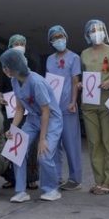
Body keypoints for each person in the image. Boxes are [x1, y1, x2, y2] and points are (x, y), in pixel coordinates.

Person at [0, 48, 63, 203]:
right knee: (17, 151)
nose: (4, 69)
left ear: (12, 67)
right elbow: (20, 109)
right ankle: (21, 191)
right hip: (33, 119)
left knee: (44, 154)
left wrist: (42, 139)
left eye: (5, 66)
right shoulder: (14, 81)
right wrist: (13, 129)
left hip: (51, 120)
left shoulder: (37, 82)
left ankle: (52, 189)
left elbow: (46, 112)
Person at [80, 19, 109, 195]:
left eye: (98, 30)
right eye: (92, 30)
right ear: (87, 34)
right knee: (93, 143)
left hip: (107, 103)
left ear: (105, 31)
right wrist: (81, 85)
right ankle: (98, 181)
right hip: (89, 104)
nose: (95, 33)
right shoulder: (83, 54)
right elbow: (82, 77)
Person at [0, 34, 40, 190]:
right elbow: (0, 88)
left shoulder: (32, 63)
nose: (19, 45)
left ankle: (31, 177)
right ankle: (13, 177)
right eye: (16, 43)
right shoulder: (4, 66)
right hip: (11, 109)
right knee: (12, 141)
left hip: (30, 109)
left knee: (31, 144)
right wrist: (0, 95)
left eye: (22, 43)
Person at [45, 25, 83, 191]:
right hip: (53, 108)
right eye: (55, 38)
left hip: (68, 107)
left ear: (66, 37)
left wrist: (73, 101)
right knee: (54, 144)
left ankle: (75, 179)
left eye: (61, 36)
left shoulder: (74, 58)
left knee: (71, 143)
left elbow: (75, 81)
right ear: (51, 41)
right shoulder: (49, 59)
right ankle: (56, 177)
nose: (58, 40)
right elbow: (48, 83)